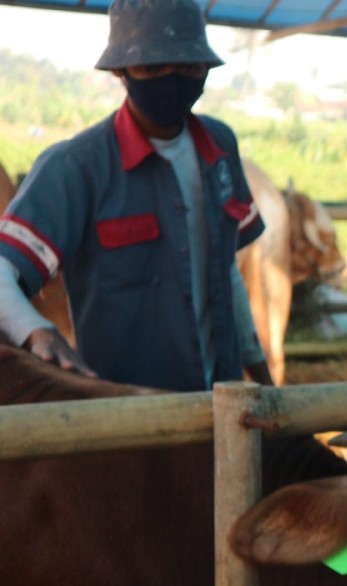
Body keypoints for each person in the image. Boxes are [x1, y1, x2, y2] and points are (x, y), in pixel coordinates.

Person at [0, 0, 271, 390]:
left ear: (206, 69)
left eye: (188, 67)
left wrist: (260, 372)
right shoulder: (76, 167)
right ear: (120, 71)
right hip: (129, 419)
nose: (172, 80)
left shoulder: (220, 147)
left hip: (222, 404)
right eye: (153, 68)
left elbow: (225, 270)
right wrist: (37, 331)